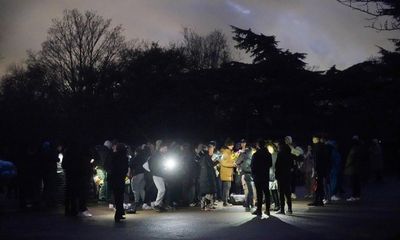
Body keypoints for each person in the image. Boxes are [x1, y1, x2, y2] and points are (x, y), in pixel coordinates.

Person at [62, 140, 93, 217]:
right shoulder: (80, 154)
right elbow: (83, 165)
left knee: (70, 194)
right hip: (78, 176)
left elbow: (64, 165)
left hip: (70, 176)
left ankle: (69, 210)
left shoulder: (67, 153)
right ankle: (77, 209)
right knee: (78, 193)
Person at [251, 139, 272, 216]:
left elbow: (252, 166)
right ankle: (267, 210)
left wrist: (254, 175)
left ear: (258, 145)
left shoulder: (256, 154)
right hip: (265, 176)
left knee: (259, 193)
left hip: (258, 176)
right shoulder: (268, 154)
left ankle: (259, 210)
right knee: (266, 193)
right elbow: (270, 164)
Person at [308, 135, 330, 206]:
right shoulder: (322, 146)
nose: (312, 140)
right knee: (319, 185)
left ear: (316, 139)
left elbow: (317, 160)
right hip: (322, 169)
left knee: (318, 185)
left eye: (313, 138)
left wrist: (316, 169)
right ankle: (319, 200)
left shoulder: (317, 147)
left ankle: (318, 201)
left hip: (319, 169)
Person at [109, 142, 129, 222]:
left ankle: (119, 213)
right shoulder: (124, 157)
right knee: (120, 196)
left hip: (114, 178)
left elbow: (110, 166)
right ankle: (119, 214)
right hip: (120, 178)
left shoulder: (113, 156)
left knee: (117, 196)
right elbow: (125, 168)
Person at [127, 144, 149, 213]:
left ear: (136, 152)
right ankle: (144, 202)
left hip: (137, 174)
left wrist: (129, 174)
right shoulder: (144, 157)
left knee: (135, 188)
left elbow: (130, 165)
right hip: (144, 174)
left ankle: (136, 202)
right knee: (141, 189)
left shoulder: (136, 157)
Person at [148, 141, 168, 212]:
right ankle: (156, 204)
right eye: (165, 148)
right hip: (157, 175)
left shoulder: (161, 155)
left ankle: (158, 204)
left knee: (162, 190)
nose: (166, 150)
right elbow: (153, 166)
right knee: (162, 190)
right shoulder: (157, 155)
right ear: (161, 148)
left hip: (160, 175)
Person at [236, 139, 255, 211]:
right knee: (250, 189)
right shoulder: (252, 154)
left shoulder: (244, 154)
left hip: (245, 173)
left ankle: (248, 204)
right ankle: (250, 203)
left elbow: (237, 162)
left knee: (247, 189)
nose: (242, 144)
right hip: (250, 174)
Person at [275, 138, 293, 214]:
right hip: (287, 175)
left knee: (281, 193)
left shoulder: (280, 153)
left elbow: (277, 165)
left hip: (281, 175)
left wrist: (276, 174)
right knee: (288, 193)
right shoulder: (289, 153)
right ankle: (289, 209)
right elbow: (292, 164)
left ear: (280, 145)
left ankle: (282, 209)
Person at [198, 141, 217, 211]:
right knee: (208, 192)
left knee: (203, 192)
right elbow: (210, 166)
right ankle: (208, 206)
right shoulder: (207, 157)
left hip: (202, 177)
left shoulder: (201, 158)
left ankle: (202, 206)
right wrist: (216, 162)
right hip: (207, 178)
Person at [219, 138, 237, 206]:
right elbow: (223, 163)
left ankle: (226, 201)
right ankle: (225, 202)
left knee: (227, 187)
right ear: (228, 145)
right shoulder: (225, 152)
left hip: (229, 173)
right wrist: (232, 165)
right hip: (226, 173)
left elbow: (232, 159)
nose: (233, 146)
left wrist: (237, 154)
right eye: (232, 145)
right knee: (226, 188)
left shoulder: (229, 152)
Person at [344, 136, 363, 201]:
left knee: (353, 182)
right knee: (357, 182)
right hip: (358, 167)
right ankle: (357, 195)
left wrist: (346, 165)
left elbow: (350, 158)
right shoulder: (359, 148)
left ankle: (354, 196)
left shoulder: (354, 149)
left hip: (353, 168)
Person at [269, 142, 280, 211]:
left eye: (270, 148)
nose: (268, 149)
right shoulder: (271, 155)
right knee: (273, 191)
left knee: (274, 191)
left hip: (273, 175)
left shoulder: (274, 155)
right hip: (271, 175)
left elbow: (273, 166)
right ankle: (275, 204)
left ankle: (277, 205)